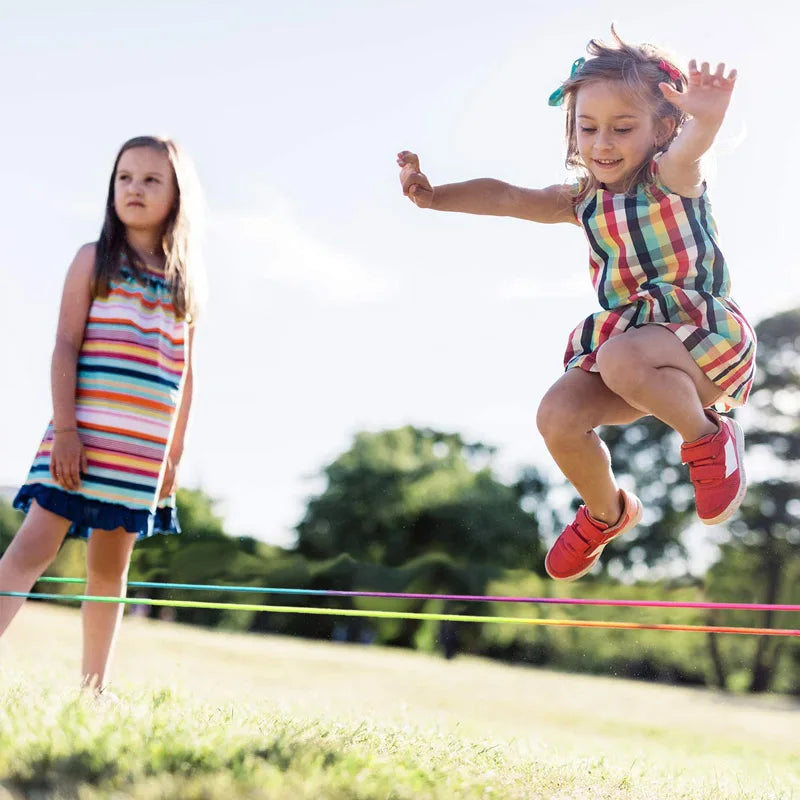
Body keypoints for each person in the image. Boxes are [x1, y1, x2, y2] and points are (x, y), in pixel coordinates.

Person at [397, 28, 755, 582]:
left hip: (702, 345)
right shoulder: (583, 199)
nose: (602, 143)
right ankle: (608, 512)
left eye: (622, 128)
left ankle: (710, 438)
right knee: (557, 416)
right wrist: (434, 195)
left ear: (662, 129)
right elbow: (509, 197)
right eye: (588, 128)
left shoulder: (671, 177)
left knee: (617, 357)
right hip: (635, 354)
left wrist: (705, 119)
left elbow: (693, 147)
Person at [0, 135, 203, 690]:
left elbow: (184, 376)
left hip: (140, 454)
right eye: (124, 178)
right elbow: (65, 344)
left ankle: (94, 690)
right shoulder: (94, 259)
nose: (134, 188)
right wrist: (65, 429)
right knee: (32, 550)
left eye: (151, 180)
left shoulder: (186, 281)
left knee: (110, 571)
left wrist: (173, 458)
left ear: (177, 194)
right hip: (80, 439)